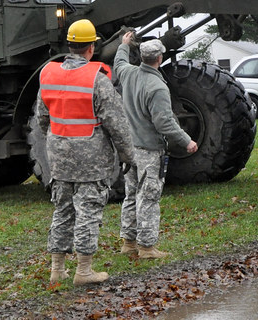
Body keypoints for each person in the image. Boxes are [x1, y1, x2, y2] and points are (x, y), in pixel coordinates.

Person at [39, 19, 134, 285]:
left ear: (69, 46)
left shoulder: (48, 74)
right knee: (88, 212)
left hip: (58, 157)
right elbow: (118, 125)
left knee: (63, 210)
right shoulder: (98, 79)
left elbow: (41, 118)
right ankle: (83, 271)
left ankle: (57, 270)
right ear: (91, 47)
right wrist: (127, 156)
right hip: (91, 160)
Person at [114, 31, 198, 259]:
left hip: (130, 149)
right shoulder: (157, 87)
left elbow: (119, 62)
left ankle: (128, 242)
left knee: (131, 194)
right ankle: (147, 248)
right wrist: (187, 141)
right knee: (149, 196)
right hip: (149, 151)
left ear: (141, 57)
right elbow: (165, 123)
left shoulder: (128, 74)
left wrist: (124, 45)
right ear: (160, 58)